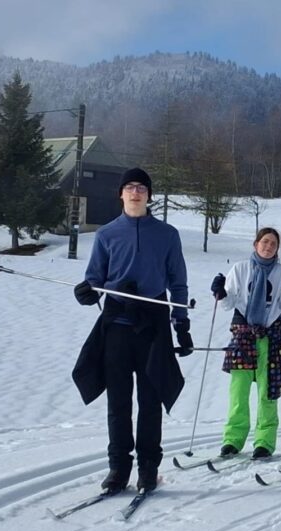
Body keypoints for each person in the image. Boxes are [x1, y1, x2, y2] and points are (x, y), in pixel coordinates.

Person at [72, 168, 192, 494]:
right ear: (121, 194)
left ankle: (148, 467)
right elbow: (95, 278)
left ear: (149, 195)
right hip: (117, 327)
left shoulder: (167, 235)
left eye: (141, 187)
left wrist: (181, 325)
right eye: (129, 187)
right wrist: (87, 292)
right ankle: (118, 468)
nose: (135, 192)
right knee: (119, 403)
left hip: (153, 326)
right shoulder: (107, 234)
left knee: (150, 402)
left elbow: (177, 282)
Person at [210, 228, 281, 459]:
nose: (268, 247)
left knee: (267, 392)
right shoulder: (240, 269)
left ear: (277, 249)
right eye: (265, 242)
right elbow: (228, 303)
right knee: (238, 392)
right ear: (256, 243)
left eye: (273, 244)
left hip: (270, 336)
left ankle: (264, 442)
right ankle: (233, 439)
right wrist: (220, 292)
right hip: (243, 335)